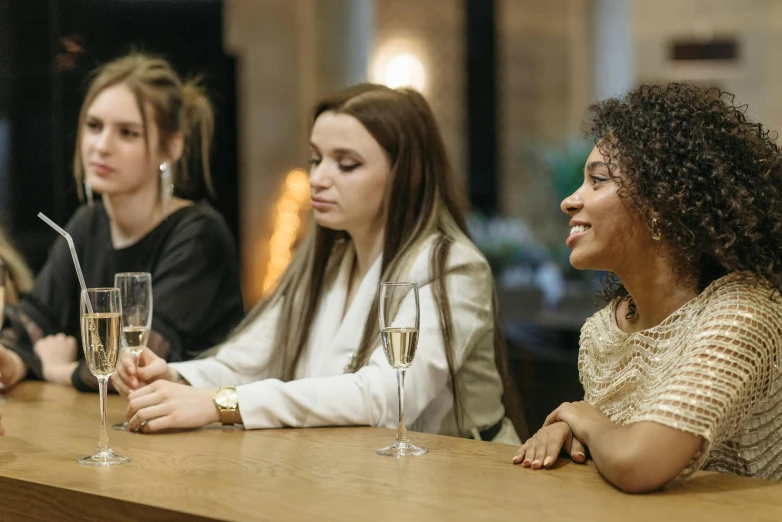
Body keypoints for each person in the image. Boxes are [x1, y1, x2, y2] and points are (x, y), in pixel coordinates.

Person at [114, 83, 523, 443]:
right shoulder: (329, 262)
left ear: (404, 175)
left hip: (463, 478)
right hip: (362, 473)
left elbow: (385, 395)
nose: (319, 178)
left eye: (346, 164)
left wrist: (223, 404)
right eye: (315, 159)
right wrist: (174, 377)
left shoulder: (451, 267)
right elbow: (253, 357)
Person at [512, 83, 782, 491]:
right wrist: (574, 437)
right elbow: (614, 454)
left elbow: (637, 464)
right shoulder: (602, 332)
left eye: (597, 181)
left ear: (660, 203)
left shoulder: (743, 311)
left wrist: (581, 416)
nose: (570, 200)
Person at [0, 52, 244, 393]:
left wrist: (55, 369)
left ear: (171, 147)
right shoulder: (88, 223)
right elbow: (34, 319)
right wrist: (12, 360)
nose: (101, 146)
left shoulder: (199, 234)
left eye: (127, 133)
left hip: (197, 434)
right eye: (94, 126)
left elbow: (136, 362)